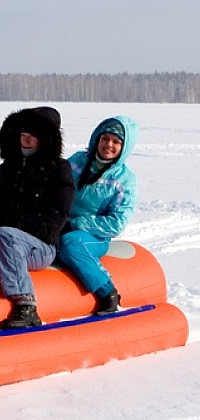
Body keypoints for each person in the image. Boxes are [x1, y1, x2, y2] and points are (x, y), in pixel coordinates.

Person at [0, 107, 75, 329]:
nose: (25, 139)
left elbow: (55, 218)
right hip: (5, 234)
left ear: (45, 138)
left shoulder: (59, 170)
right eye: (22, 133)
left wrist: (11, 220)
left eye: (32, 135)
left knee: (4, 234)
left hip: (41, 245)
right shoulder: (8, 168)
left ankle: (26, 304)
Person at [57, 116, 139, 315]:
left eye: (116, 141)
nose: (108, 145)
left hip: (93, 236)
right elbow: (55, 186)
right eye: (105, 138)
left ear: (124, 146)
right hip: (60, 224)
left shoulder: (124, 179)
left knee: (71, 244)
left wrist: (77, 224)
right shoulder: (77, 161)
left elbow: (116, 223)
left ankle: (108, 292)